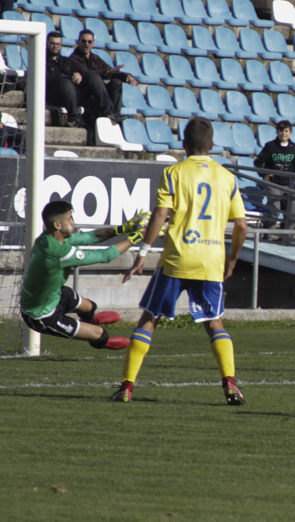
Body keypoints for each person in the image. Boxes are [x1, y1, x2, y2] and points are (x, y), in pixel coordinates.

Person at [112, 117, 249, 405]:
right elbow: (242, 225)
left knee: (149, 319)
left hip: (176, 259)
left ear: (184, 145)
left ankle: (126, 387)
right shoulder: (227, 177)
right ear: (212, 146)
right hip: (211, 261)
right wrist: (233, 259)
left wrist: (143, 252)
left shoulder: (174, 172)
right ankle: (231, 384)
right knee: (214, 322)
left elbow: (161, 214)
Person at [19, 202, 151, 351]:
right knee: (101, 334)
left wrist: (124, 228)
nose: (73, 222)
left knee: (89, 307)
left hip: (54, 294)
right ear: (57, 225)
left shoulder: (47, 238)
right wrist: (138, 236)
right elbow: (105, 255)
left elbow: (92, 237)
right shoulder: (58, 252)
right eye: (69, 219)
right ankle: (102, 340)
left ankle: (92, 321)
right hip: (42, 315)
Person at [69, 29, 138, 143]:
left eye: (89, 42)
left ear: (93, 44)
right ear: (79, 42)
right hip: (83, 95)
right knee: (93, 76)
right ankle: (109, 110)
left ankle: (113, 115)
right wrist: (107, 72)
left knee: (116, 83)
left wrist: (126, 77)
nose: (86, 44)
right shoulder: (73, 59)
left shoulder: (95, 58)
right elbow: (87, 73)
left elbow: (111, 71)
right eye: (84, 41)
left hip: (97, 95)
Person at [253, 120, 295, 230]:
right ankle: (268, 235)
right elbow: (258, 162)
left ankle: (287, 237)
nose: (283, 133)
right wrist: (265, 175)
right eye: (281, 131)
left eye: (286, 131)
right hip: (273, 183)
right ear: (277, 132)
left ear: (290, 133)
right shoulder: (270, 146)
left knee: (294, 211)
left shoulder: (293, 147)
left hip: (288, 184)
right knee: (275, 211)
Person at [44, 32, 84, 128]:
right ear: (47, 43)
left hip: (69, 94)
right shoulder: (41, 60)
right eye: (52, 43)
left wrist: (77, 75)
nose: (55, 46)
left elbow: (74, 72)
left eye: (58, 44)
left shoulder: (66, 61)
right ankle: (74, 118)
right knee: (65, 82)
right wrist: (67, 78)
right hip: (52, 95)